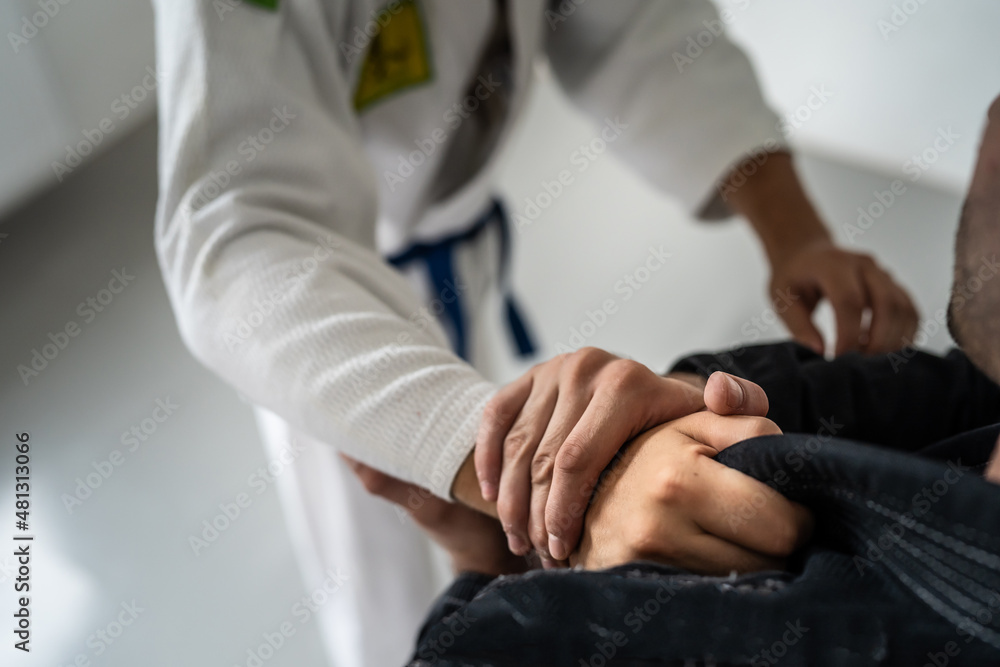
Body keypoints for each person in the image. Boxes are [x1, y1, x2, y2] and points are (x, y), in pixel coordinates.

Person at [151, 1, 919, 662]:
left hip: (454, 251)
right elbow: (238, 231)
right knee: (380, 584)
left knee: (481, 553)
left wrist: (795, 232)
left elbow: (638, 26)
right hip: (323, 318)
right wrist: (551, 477)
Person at [349, 94, 1000, 665]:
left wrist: (521, 532)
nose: (992, 123)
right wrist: (656, 416)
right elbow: (855, 390)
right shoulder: (968, 400)